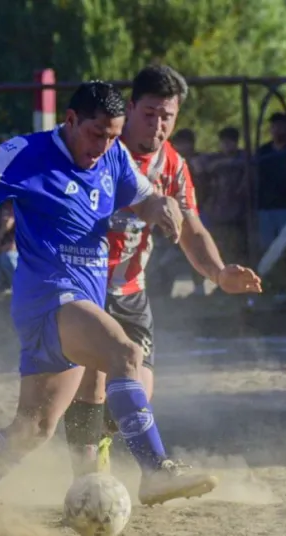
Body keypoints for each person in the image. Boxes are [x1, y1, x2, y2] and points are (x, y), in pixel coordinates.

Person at [0, 81, 203, 520]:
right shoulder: (27, 152)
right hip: (49, 299)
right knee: (125, 353)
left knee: (33, 429)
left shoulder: (113, 155)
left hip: (79, 302)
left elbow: (144, 199)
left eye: (113, 136)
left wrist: (161, 207)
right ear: (70, 120)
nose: (104, 146)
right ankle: (156, 469)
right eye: (96, 133)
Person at [61, 65, 262, 504]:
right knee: (95, 383)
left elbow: (192, 228)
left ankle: (104, 452)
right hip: (84, 286)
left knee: (137, 392)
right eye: (150, 114)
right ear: (131, 108)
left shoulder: (172, 164)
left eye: (167, 116)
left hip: (131, 291)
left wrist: (218, 272)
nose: (158, 125)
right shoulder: (98, 148)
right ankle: (95, 480)